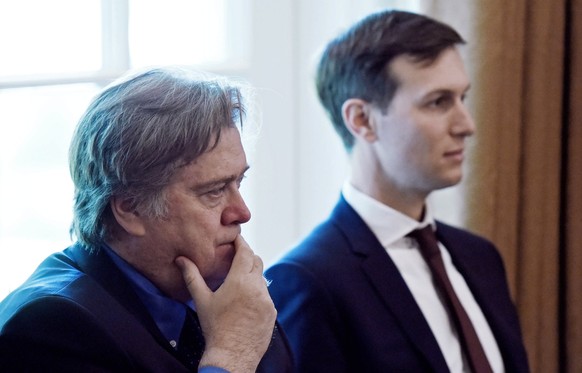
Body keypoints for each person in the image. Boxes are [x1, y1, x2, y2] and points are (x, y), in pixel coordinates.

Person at [265, 9, 530, 373]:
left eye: (462, 98)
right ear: (362, 120)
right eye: (438, 102)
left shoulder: (480, 258)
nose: (466, 125)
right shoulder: (307, 281)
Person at [0, 67, 293, 372]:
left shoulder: (230, 292)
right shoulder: (50, 327)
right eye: (214, 191)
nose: (242, 212)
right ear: (130, 208)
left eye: (238, 183)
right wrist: (232, 355)